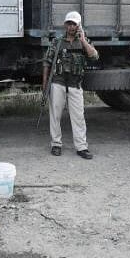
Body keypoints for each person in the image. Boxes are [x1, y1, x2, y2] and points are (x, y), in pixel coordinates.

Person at [42, 11, 98, 159]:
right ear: (65, 25)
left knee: (78, 116)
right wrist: (44, 85)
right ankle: (56, 144)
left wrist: (83, 40)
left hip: (75, 83)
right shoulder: (57, 42)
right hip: (58, 82)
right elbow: (47, 63)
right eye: (69, 23)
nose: (71, 27)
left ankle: (81, 147)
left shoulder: (84, 42)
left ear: (79, 25)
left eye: (74, 24)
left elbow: (94, 56)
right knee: (55, 115)